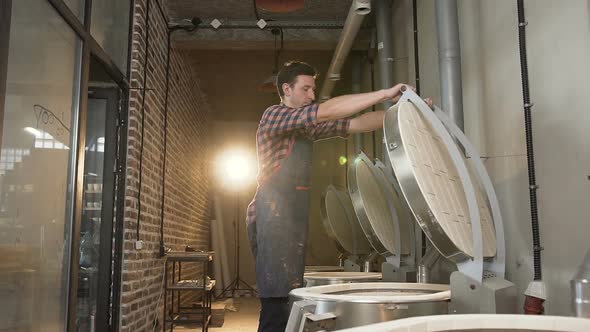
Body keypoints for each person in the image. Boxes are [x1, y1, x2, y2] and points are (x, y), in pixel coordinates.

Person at [246, 60, 413, 332]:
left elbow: (358, 123)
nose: (311, 95)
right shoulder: (274, 115)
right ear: (286, 89)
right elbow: (328, 110)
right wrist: (384, 94)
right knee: (276, 303)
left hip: (289, 220)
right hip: (270, 218)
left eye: (313, 90)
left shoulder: (305, 128)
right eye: (306, 89)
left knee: (288, 299)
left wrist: (404, 112)